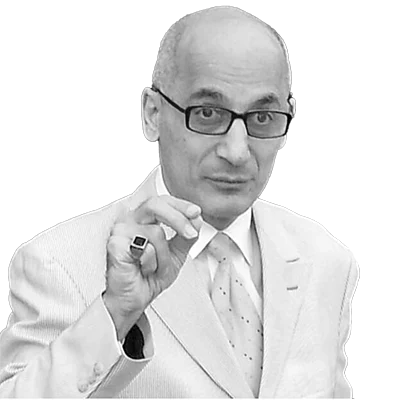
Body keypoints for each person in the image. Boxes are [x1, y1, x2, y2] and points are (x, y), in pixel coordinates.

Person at [0, 6, 359, 398]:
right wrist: (115, 313)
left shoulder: (327, 261)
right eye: (207, 113)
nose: (237, 152)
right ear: (153, 114)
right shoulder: (58, 263)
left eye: (262, 117)